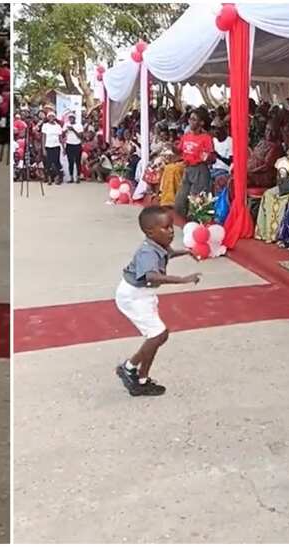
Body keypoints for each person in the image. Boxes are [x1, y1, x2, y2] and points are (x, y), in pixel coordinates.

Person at [114, 206, 201, 396]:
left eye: (171, 226)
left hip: (143, 295)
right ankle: (131, 371)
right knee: (158, 335)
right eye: (165, 228)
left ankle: (138, 376)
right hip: (133, 296)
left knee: (157, 336)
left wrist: (185, 252)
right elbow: (152, 276)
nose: (171, 231)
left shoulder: (158, 244)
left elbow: (168, 253)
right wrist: (183, 279)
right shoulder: (148, 253)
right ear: (149, 232)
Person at [174, 108, 215, 217]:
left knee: (196, 203)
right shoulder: (186, 135)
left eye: (194, 119)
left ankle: (195, 226)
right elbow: (179, 150)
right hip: (188, 169)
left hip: (200, 170)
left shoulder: (206, 138)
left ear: (201, 123)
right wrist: (172, 147)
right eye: (190, 119)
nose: (190, 121)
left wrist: (207, 157)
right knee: (179, 202)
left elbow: (211, 157)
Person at [248, 120, 284, 188]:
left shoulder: (276, 147)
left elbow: (266, 167)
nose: (269, 133)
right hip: (251, 171)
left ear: (277, 132)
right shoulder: (263, 141)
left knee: (238, 180)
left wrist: (250, 171)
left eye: (272, 131)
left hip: (262, 176)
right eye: (267, 130)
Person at [40, 111, 63, 184]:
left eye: (52, 116)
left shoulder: (58, 126)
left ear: (54, 117)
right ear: (48, 118)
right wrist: (43, 148)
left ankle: (58, 177)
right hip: (48, 146)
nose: (51, 118)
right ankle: (49, 178)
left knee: (56, 162)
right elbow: (43, 137)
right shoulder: (45, 125)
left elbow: (60, 138)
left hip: (56, 146)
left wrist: (63, 148)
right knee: (48, 163)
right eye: (49, 116)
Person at [63, 112, 84, 183]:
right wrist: (66, 130)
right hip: (69, 145)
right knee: (70, 162)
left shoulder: (79, 125)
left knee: (78, 161)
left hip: (77, 145)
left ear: (74, 118)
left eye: (72, 117)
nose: (71, 119)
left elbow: (81, 136)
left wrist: (73, 130)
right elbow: (62, 135)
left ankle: (78, 177)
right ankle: (71, 177)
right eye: (69, 118)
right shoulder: (66, 125)